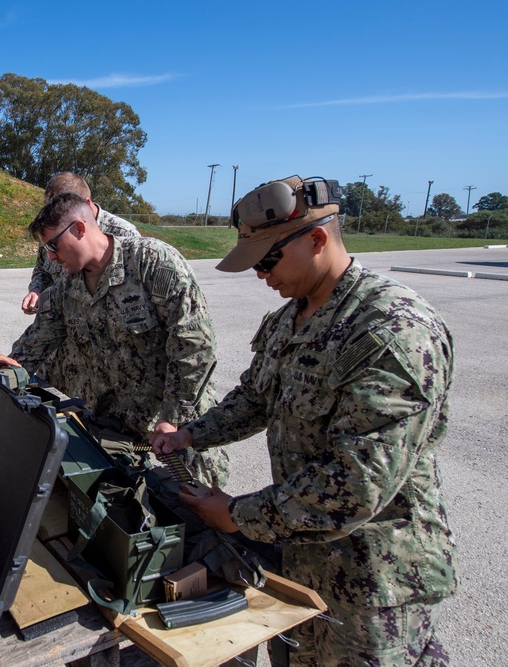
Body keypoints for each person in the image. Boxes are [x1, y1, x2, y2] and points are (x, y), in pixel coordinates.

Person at [153, 175, 459, 665]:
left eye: (267, 260)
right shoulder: (289, 318)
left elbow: (356, 484)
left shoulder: (392, 332)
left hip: (374, 584)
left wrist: (237, 515)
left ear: (317, 240)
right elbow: (254, 399)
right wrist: (191, 434)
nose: (260, 275)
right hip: (300, 560)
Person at [0, 192, 229, 487]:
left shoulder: (152, 263)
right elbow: (35, 343)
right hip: (119, 425)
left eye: (53, 245)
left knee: (197, 509)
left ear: (79, 228)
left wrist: (172, 417)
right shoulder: (67, 288)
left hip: (180, 425)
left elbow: (195, 346)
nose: (50, 256)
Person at [21, 171, 140, 315]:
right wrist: (36, 290)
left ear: (86, 205)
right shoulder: (52, 230)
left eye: (57, 212)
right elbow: (42, 269)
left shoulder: (125, 235)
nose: (52, 255)